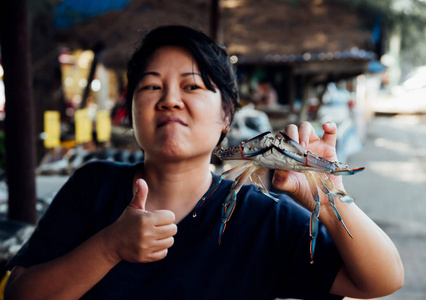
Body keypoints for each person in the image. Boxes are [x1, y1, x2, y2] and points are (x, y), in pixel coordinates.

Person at [4, 25, 403, 300]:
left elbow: (381, 281)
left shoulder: (262, 219)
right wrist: (109, 247)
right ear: (132, 111)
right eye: (151, 86)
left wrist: (330, 199)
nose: (170, 99)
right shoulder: (94, 187)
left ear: (226, 116)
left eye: (192, 86)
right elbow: (19, 293)